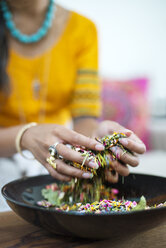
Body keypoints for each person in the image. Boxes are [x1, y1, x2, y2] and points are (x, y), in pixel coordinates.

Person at [0, 0, 146, 188]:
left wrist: (97, 140)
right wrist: (23, 137)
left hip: (55, 152)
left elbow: (84, 119)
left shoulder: (82, 30)